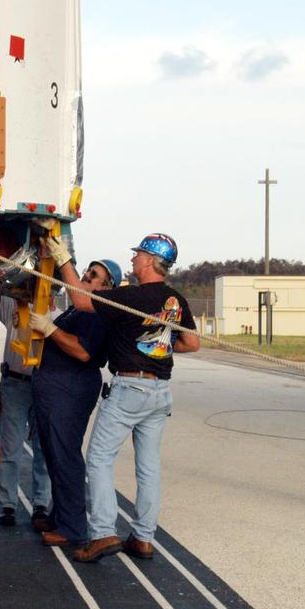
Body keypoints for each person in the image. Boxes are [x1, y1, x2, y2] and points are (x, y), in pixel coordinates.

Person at [54, 233, 199, 563]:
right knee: (148, 467)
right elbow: (192, 344)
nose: (132, 259)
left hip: (130, 388)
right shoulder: (175, 300)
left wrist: (64, 260)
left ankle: (103, 533)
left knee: (99, 459)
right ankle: (143, 538)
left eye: (137, 255)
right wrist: (154, 344)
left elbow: (80, 301)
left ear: (149, 260)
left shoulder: (131, 296)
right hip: (160, 392)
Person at [28, 256, 118, 548]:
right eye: (88, 272)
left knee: (65, 454)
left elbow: (83, 352)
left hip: (70, 387)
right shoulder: (78, 309)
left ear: (106, 287)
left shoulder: (96, 313)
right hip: (55, 385)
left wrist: (51, 330)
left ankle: (73, 527)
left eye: (92, 276)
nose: (85, 277)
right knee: (54, 453)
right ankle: (61, 516)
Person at [0, 282, 51, 528]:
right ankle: (8, 504)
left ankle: (41, 503)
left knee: (43, 448)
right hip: (15, 384)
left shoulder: (56, 311)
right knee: (11, 449)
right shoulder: (13, 302)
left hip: (43, 385)